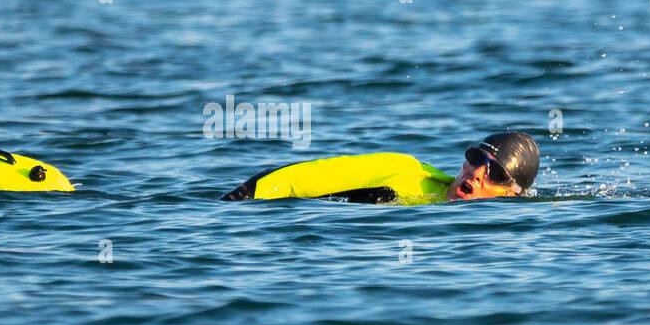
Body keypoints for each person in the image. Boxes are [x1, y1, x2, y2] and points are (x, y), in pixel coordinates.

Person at [220, 131, 540, 204]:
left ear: (512, 194)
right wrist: (239, 203)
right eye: (476, 158)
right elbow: (300, 176)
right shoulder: (404, 169)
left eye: (496, 174)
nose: (479, 172)